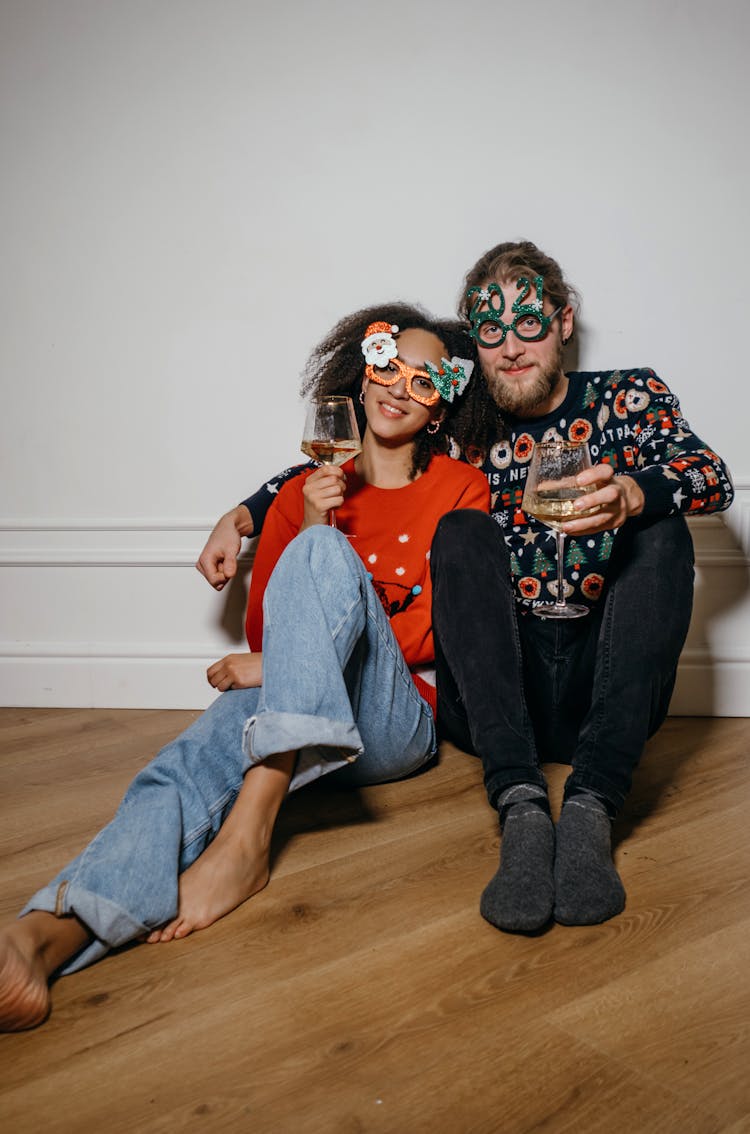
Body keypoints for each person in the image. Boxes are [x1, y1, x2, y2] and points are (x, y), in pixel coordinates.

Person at [195, 241, 734, 934]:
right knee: (461, 533)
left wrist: (634, 492)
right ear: (473, 344)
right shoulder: (462, 427)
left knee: (665, 533)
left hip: (605, 685)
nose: (510, 347)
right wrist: (241, 515)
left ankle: (594, 806)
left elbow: (710, 475)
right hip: (493, 696)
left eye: (529, 323)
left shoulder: (627, 397)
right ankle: (520, 806)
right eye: (490, 329)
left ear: (564, 322)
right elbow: (354, 459)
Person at [0, 303, 489, 1031]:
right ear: (361, 375)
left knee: (318, 571)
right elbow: (270, 626)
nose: (399, 387)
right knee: (191, 756)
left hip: (396, 719)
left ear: (441, 403)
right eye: (389, 367)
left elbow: (434, 634)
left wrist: (284, 649)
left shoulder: (459, 488)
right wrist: (318, 523)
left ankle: (246, 837)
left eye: (423, 381)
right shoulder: (299, 493)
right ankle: (49, 934)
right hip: (300, 708)